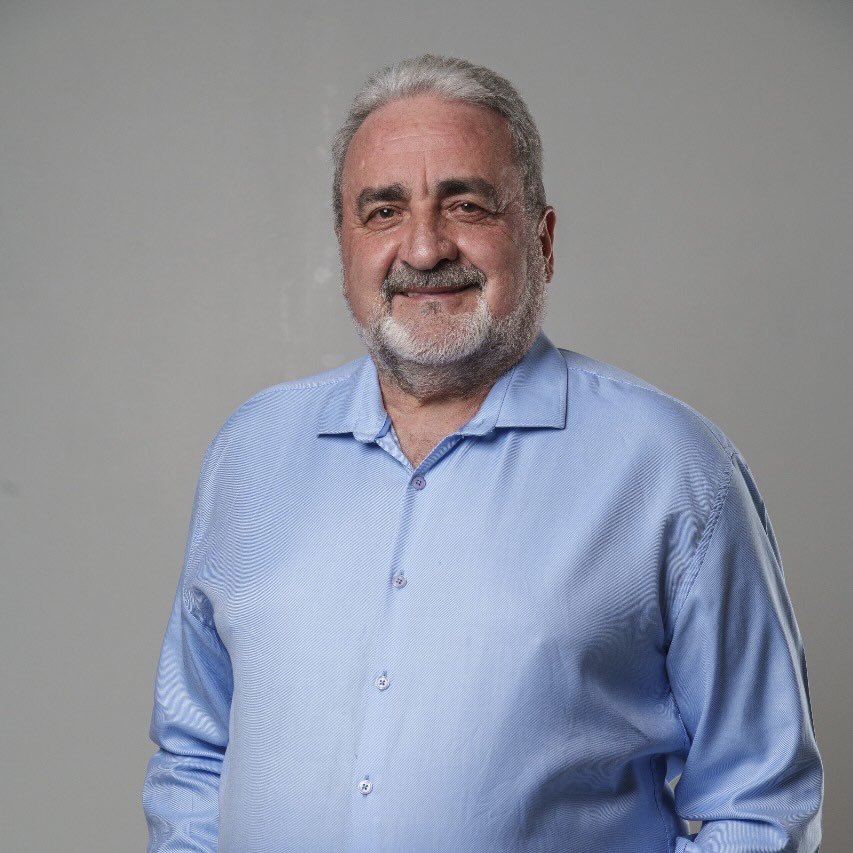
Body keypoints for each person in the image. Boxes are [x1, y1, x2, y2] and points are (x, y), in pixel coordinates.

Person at [143, 55, 822, 852]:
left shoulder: (672, 468)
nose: (424, 248)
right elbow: (194, 754)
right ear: (345, 246)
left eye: (465, 204)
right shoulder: (250, 451)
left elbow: (759, 804)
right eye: (383, 211)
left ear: (541, 238)